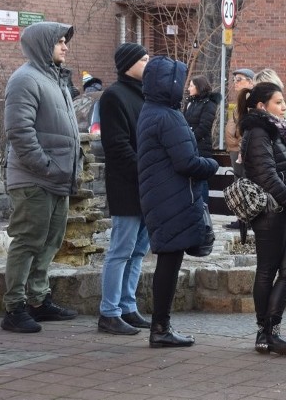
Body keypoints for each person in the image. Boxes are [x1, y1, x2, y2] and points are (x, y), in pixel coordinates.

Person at [1, 22, 81, 333]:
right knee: (28, 240)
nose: (65, 46)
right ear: (42, 44)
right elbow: (19, 133)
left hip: (56, 177)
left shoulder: (55, 79)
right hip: (34, 178)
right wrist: (46, 165)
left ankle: (37, 300)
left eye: (65, 41)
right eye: (59, 42)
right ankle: (15, 307)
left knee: (50, 241)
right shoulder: (25, 79)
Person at [137, 56, 219, 348]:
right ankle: (161, 328)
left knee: (168, 263)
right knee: (169, 265)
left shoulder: (152, 111)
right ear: (167, 83)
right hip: (172, 198)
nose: (184, 88)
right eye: (180, 81)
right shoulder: (168, 116)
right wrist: (211, 164)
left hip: (162, 197)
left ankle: (161, 326)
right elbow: (186, 162)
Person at [238, 82, 286, 355]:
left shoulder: (275, 131)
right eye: (278, 102)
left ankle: (270, 331)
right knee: (268, 269)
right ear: (261, 106)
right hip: (270, 212)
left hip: (284, 209)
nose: (284, 106)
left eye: (283, 101)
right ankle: (265, 332)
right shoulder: (258, 132)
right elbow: (268, 176)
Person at [97, 43, 152, 336]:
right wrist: (146, 171)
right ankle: (109, 312)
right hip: (127, 186)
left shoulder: (145, 96)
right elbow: (117, 147)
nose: (148, 63)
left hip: (146, 186)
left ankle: (128, 306)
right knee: (121, 250)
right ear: (128, 63)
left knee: (139, 250)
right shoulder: (113, 96)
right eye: (143, 59)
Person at [184, 75, 222, 204]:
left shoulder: (209, 103)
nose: (188, 88)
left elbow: (204, 127)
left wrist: (189, 139)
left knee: (201, 179)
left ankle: (203, 211)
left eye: (191, 86)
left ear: (198, 87)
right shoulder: (190, 102)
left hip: (201, 147)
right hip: (188, 145)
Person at [224, 67, 254, 230]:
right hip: (235, 147)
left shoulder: (249, 99)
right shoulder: (242, 99)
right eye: (234, 79)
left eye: (239, 79)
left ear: (250, 82)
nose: (235, 83)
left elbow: (246, 127)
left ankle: (245, 219)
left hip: (240, 150)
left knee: (243, 183)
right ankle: (242, 218)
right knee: (239, 183)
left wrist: (242, 149)